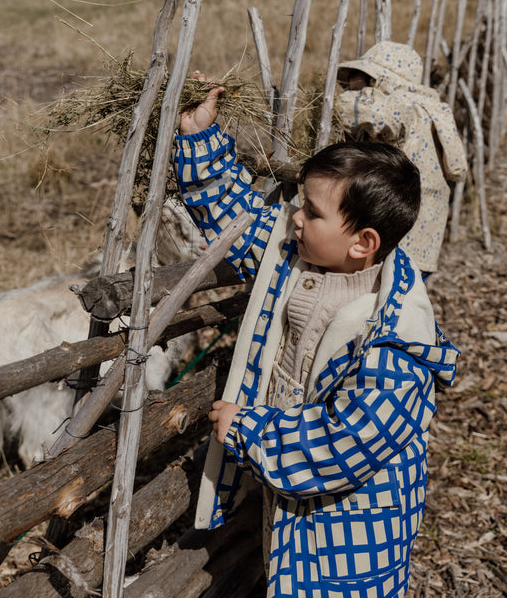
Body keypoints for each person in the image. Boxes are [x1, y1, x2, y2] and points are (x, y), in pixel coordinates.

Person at [174, 76, 459, 598]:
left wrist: (247, 431)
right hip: (297, 511)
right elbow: (238, 216)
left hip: (356, 536)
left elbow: (347, 442)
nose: (294, 218)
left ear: (362, 243)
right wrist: (198, 138)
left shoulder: (395, 341)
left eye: (311, 211)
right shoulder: (296, 262)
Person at [334, 41, 467, 275]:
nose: (352, 83)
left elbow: (368, 111)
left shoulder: (403, 108)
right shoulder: (430, 109)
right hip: (420, 244)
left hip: (398, 246)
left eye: (359, 76)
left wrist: (333, 104)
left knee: (381, 306)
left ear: (379, 81)